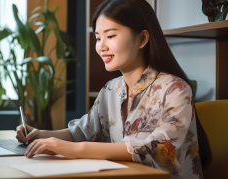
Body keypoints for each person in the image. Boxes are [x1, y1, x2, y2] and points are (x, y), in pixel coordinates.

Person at [16, 0, 211, 178]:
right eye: (98, 38)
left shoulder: (176, 89)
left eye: (110, 36)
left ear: (142, 39)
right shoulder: (110, 89)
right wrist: (41, 135)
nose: (101, 47)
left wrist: (76, 150)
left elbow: (159, 147)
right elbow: (83, 132)